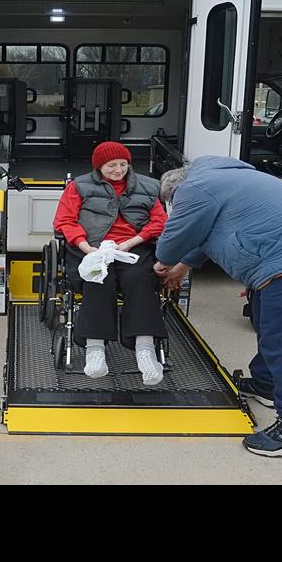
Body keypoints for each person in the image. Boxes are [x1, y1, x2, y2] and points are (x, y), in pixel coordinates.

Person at [153, 157, 282, 457]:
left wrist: (163, 262)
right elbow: (205, 235)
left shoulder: (194, 189)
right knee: (266, 321)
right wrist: (184, 266)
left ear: (173, 192)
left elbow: (174, 239)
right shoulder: (220, 180)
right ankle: (266, 384)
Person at [52, 141, 170, 384]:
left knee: (139, 278)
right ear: (98, 167)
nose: (118, 170)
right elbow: (64, 221)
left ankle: (145, 350)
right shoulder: (78, 186)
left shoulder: (149, 187)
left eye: (123, 164)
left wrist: (130, 243)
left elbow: (159, 222)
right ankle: (95, 350)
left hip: (133, 247)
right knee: (98, 278)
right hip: (91, 247)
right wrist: (87, 248)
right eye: (111, 165)